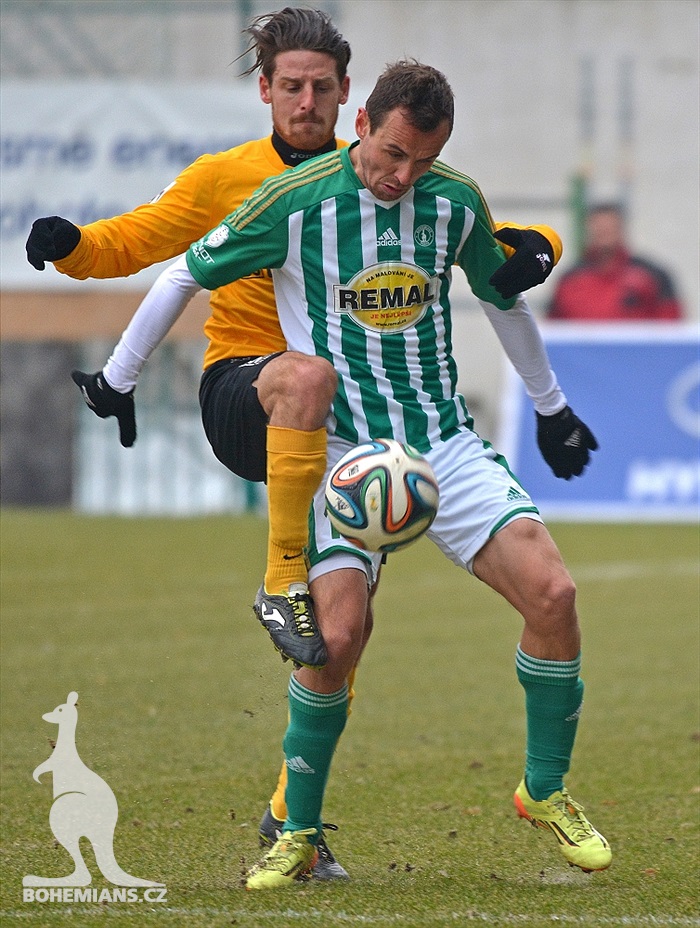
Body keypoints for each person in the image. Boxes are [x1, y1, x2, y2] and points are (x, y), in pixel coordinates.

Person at [24, 11, 562, 882]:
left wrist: (540, 248)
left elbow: (484, 257)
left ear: (348, 95)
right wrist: (78, 250)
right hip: (253, 386)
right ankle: (282, 579)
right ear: (265, 88)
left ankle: (292, 816)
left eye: (321, 84)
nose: (305, 100)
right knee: (307, 378)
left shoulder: (405, 176)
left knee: (343, 635)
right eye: (290, 85)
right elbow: (150, 242)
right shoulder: (237, 180)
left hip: (338, 420)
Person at [171, 59, 609, 889]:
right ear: (364, 119)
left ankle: (544, 790)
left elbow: (503, 292)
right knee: (334, 640)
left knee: (554, 595)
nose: (403, 175)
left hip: (439, 443)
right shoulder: (299, 201)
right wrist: (120, 374)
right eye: (395, 152)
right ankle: (295, 831)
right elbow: (184, 263)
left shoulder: (452, 199)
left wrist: (551, 407)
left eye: (423, 159)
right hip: (340, 454)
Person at [547, 202, 683, 321]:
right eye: (599, 227)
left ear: (621, 228)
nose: (604, 231)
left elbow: (671, 332)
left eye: (609, 227)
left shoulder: (653, 276)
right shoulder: (569, 280)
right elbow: (555, 330)